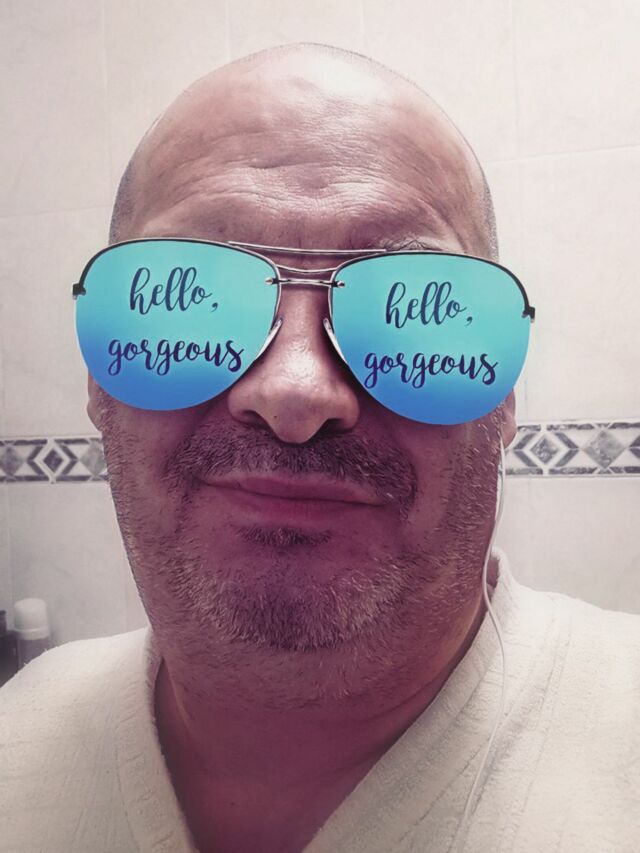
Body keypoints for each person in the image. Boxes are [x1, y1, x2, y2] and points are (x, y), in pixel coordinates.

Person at [1, 42, 638, 853]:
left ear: (504, 396)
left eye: (414, 304)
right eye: (188, 297)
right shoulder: (18, 736)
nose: (295, 391)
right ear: (97, 383)